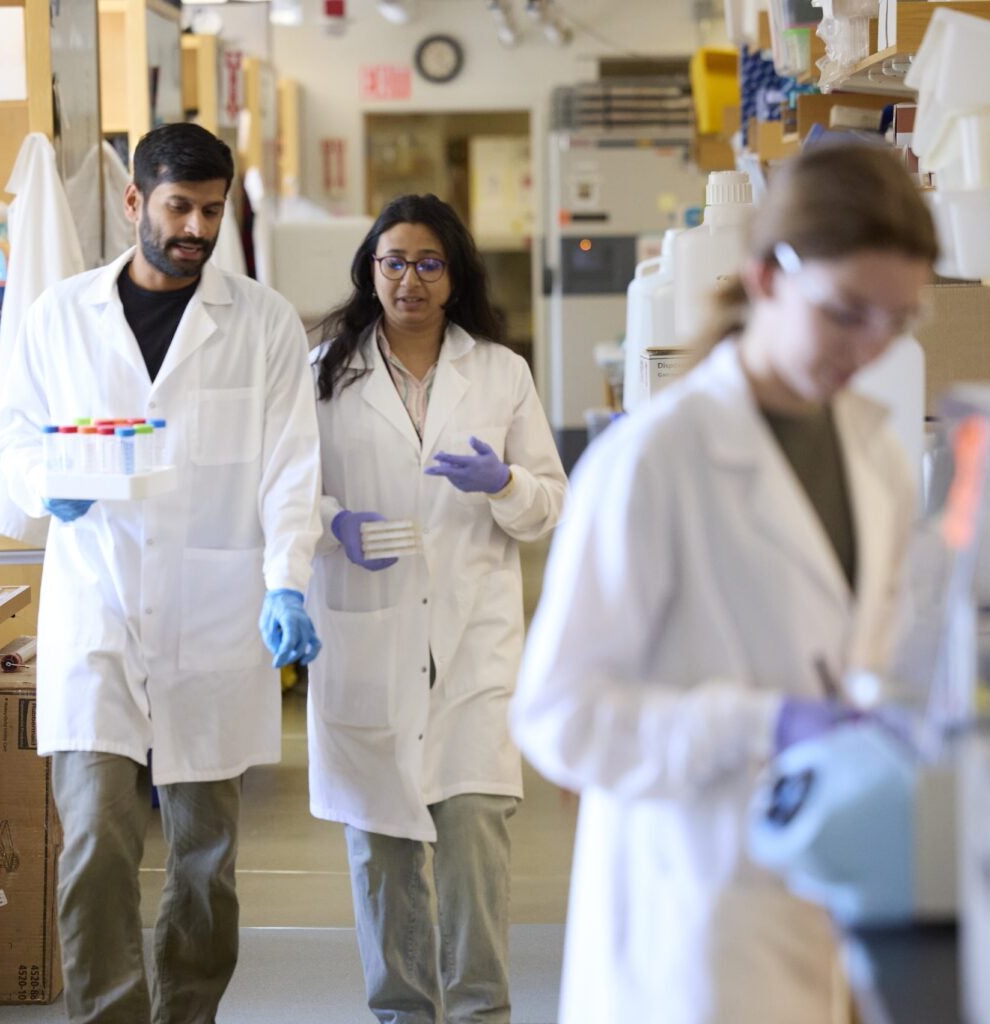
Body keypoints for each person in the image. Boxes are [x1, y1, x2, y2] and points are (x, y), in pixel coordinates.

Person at [510, 142, 938, 1024]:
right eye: (847, 312)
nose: (871, 346)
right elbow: (558, 717)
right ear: (769, 279)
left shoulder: (877, 454)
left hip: (827, 887)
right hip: (689, 911)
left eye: (898, 320)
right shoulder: (657, 458)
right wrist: (758, 723)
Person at [0, 122, 322, 1024]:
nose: (198, 229)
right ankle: (107, 1014)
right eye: (180, 207)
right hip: (95, 610)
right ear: (135, 202)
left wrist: (288, 577)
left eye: (213, 211)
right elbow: (10, 447)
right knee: (95, 836)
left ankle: (188, 1013)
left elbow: (293, 467)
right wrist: (44, 484)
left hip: (216, 617)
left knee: (205, 859)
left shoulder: (264, 323)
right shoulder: (60, 317)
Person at [306, 193, 567, 1023]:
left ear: (454, 275)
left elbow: (552, 506)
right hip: (367, 636)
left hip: (471, 641)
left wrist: (507, 485)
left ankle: (484, 1012)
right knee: (382, 857)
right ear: (370, 271)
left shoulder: (500, 371)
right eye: (393, 263)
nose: (409, 280)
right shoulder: (323, 369)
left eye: (427, 263)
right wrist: (328, 523)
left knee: (473, 850)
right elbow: (280, 491)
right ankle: (402, 1014)